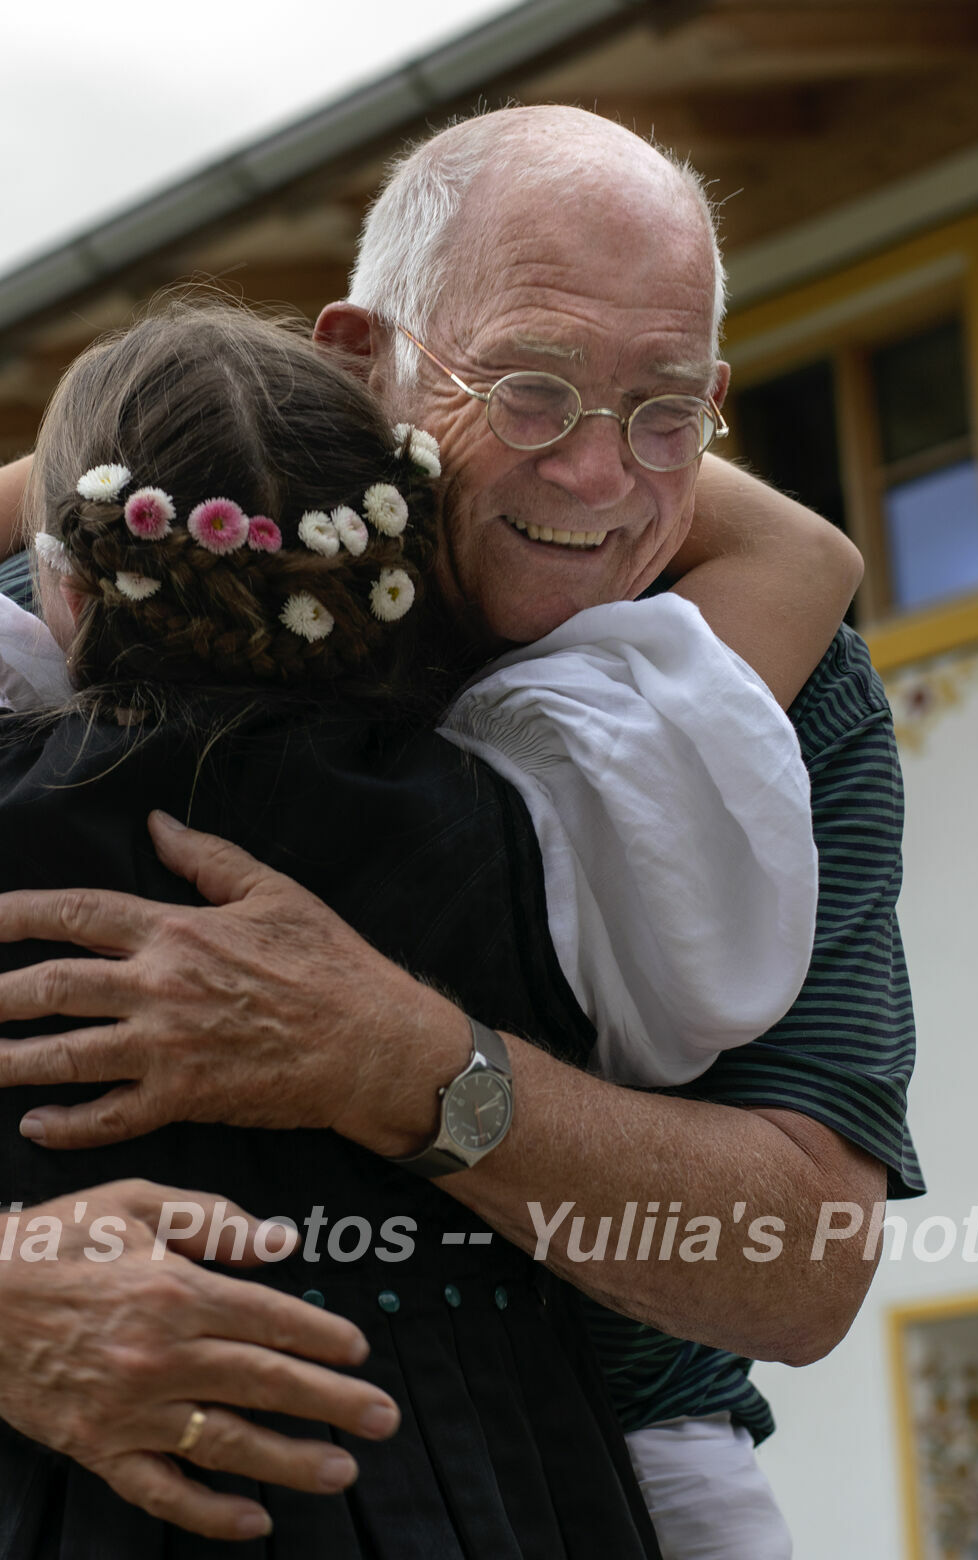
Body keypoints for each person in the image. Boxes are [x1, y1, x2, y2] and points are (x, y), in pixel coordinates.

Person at [0, 106, 920, 1557]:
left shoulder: (764, 700)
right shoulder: (108, 593)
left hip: (586, 1471)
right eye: (534, 391)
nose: (601, 481)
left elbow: (797, 1262)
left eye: (668, 412)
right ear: (362, 359)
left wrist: (414, 1066)